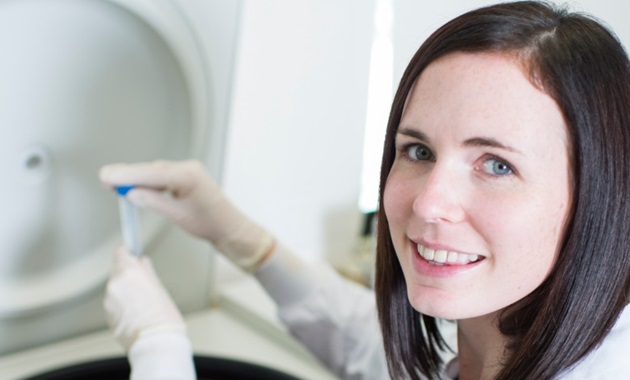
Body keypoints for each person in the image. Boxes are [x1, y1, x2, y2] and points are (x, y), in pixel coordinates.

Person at [100, 1, 630, 379]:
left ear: (597, 197)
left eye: (496, 165)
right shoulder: (490, 327)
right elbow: (376, 351)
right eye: (418, 151)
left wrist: (159, 353)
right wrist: (245, 242)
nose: (428, 201)